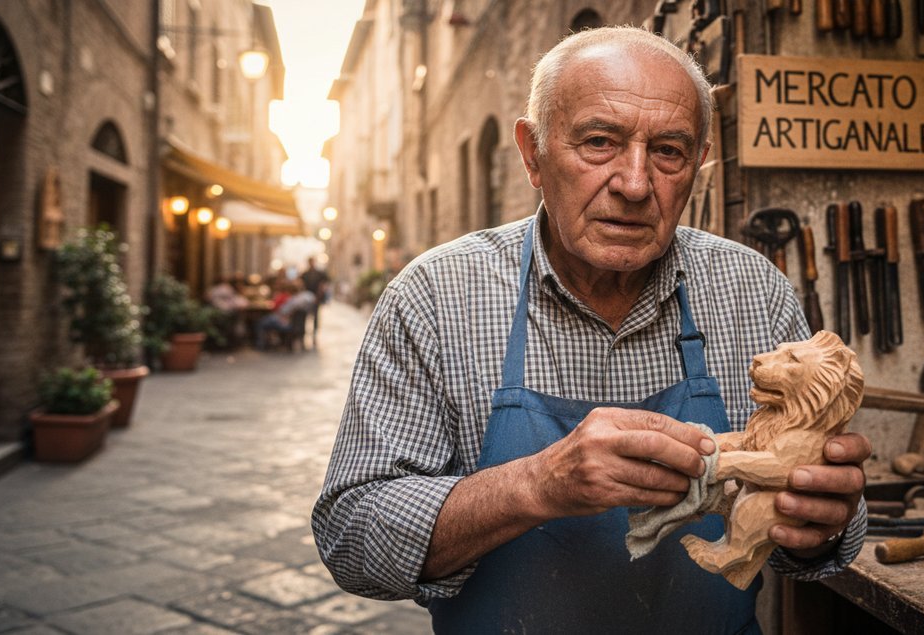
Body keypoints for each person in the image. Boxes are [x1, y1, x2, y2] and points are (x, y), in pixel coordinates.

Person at [312, 26, 870, 633]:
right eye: (599, 142)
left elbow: (810, 541)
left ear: (699, 164)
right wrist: (535, 484)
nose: (634, 184)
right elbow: (353, 539)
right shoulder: (437, 296)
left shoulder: (751, 290)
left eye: (668, 152)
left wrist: (820, 520)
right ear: (533, 153)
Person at [254, 280, 315, 350]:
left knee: (260, 323)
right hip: (291, 322)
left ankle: (261, 344)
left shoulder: (293, 301)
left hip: (284, 322)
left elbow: (282, 311)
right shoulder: (303, 298)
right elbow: (312, 298)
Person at [299, 256, 331, 340]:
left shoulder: (320, 273)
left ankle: (314, 335)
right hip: (306, 299)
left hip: (317, 298)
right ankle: (303, 335)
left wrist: (320, 294)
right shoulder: (305, 274)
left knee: (316, 317)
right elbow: (301, 285)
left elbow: (325, 283)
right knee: (304, 316)